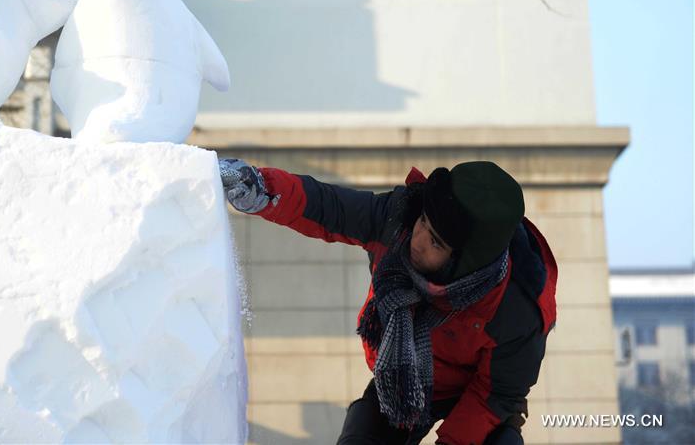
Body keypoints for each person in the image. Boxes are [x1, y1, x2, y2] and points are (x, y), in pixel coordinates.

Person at [219, 158, 557, 445]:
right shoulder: (399, 219)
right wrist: (261, 189)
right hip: (402, 377)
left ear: (464, 262)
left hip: (477, 397)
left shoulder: (516, 308)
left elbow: (494, 394)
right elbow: (329, 207)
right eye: (424, 221)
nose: (418, 240)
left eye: (436, 242)